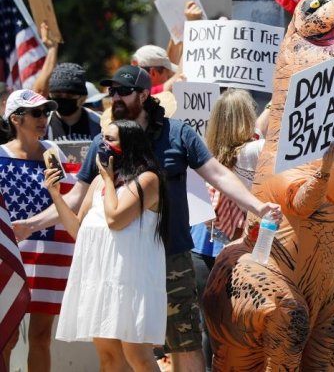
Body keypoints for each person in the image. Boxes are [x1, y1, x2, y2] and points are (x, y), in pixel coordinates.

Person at [13, 66, 280, 372]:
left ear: (143, 94)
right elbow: (78, 200)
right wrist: (30, 225)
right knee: (125, 350)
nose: (115, 97)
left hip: (172, 255)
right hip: (123, 264)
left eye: (123, 91)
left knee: (184, 341)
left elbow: (217, 174)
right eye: (112, 92)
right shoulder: (104, 143)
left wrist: (258, 207)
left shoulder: (178, 134)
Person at [49, 120, 168, 371]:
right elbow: (78, 231)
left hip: (131, 282)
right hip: (100, 281)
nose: (103, 145)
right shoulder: (98, 183)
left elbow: (115, 220)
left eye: (111, 139)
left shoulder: (148, 180)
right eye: (102, 138)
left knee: (138, 356)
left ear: (129, 143)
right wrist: (56, 195)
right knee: (108, 359)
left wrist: (107, 178)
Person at [0, 90, 68, 372]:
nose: (44, 119)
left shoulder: (55, 153)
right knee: (7, 336)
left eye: (46, 113)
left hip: (49, 254)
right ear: (16, 119)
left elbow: (68, 199)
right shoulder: (0, 155)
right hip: (8, 255)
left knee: (41, 336)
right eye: (36, 113)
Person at [196, 89, 264, 369]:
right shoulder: (258, 151)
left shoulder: (201, 155)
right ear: (248, 117)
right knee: (240, 329)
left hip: (199, 247)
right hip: (240, 250)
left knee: (208, 328)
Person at [45, 63, 102, 142]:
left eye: (70, 96)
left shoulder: (99, 124)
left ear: (83, 99)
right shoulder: (43, 124)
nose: (63, 99)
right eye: (57, 95)